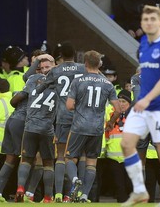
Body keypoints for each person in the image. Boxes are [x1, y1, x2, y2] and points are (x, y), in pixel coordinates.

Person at [120, 5, 160, 207]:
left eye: (153, 19)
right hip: (142, 107)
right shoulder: (143, 45)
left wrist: (147, 98)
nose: (148, 22)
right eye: (145, 19)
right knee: (127, 143)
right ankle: (139, 191)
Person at [65, 50, 121, 203]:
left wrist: (80, 106)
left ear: (85, 64)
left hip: (79, 126)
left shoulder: (78, 81)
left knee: (69, 158)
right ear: (100, 64)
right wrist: (110, 123)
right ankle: (84, 196)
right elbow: (118, 109)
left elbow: (69, 105)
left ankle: (75, 179)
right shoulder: (108, 84)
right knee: (91, 162)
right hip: (97, 129)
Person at [35, 41, 86, 203]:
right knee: (82, 156)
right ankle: (79, 193)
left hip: (63, 118)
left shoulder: (56, 70)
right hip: (81, 118)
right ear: (75, 54)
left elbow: (39, 89)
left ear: (61, 56)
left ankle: (57, 194)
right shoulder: (83, 69)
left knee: (61, 156)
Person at [15, 58, 56, 203]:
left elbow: (24, 85)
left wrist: (37, 60)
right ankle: (48, 197)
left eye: (46, 67)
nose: (45, 69)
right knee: (48, 164)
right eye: (43, 67)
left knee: (26, 160)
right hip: (47, 129)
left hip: (30, 126)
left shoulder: (32, 78)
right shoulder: (60, 82)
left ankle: (20, 188)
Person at [105, 89, 133, 202]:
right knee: (120, 188)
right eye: (119, 101)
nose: (121, 104)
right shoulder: (111, 114)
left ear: (130, 104)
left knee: (130, 186)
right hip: (114, 158)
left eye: (124, 102)